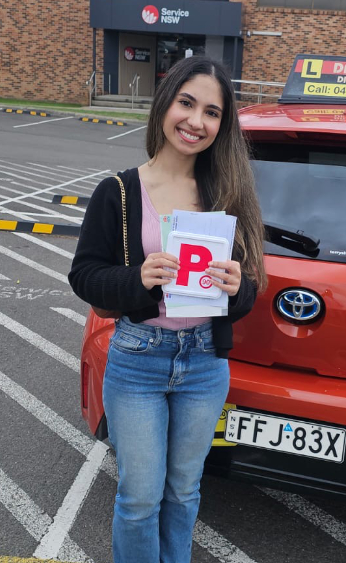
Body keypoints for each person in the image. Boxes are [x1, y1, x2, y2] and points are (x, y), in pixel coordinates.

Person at [68, 56, 267, 563]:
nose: (196, 121)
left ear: (223, 125)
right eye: (186, 103)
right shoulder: (117, 192)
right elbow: (85, 276)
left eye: (212, 112)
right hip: (138, 359)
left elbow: (248, 291)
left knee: (183, 491)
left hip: (204, 363)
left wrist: (235, 285)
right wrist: (136, 279)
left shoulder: (228, 191)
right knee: (139, 497)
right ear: (165, 103)